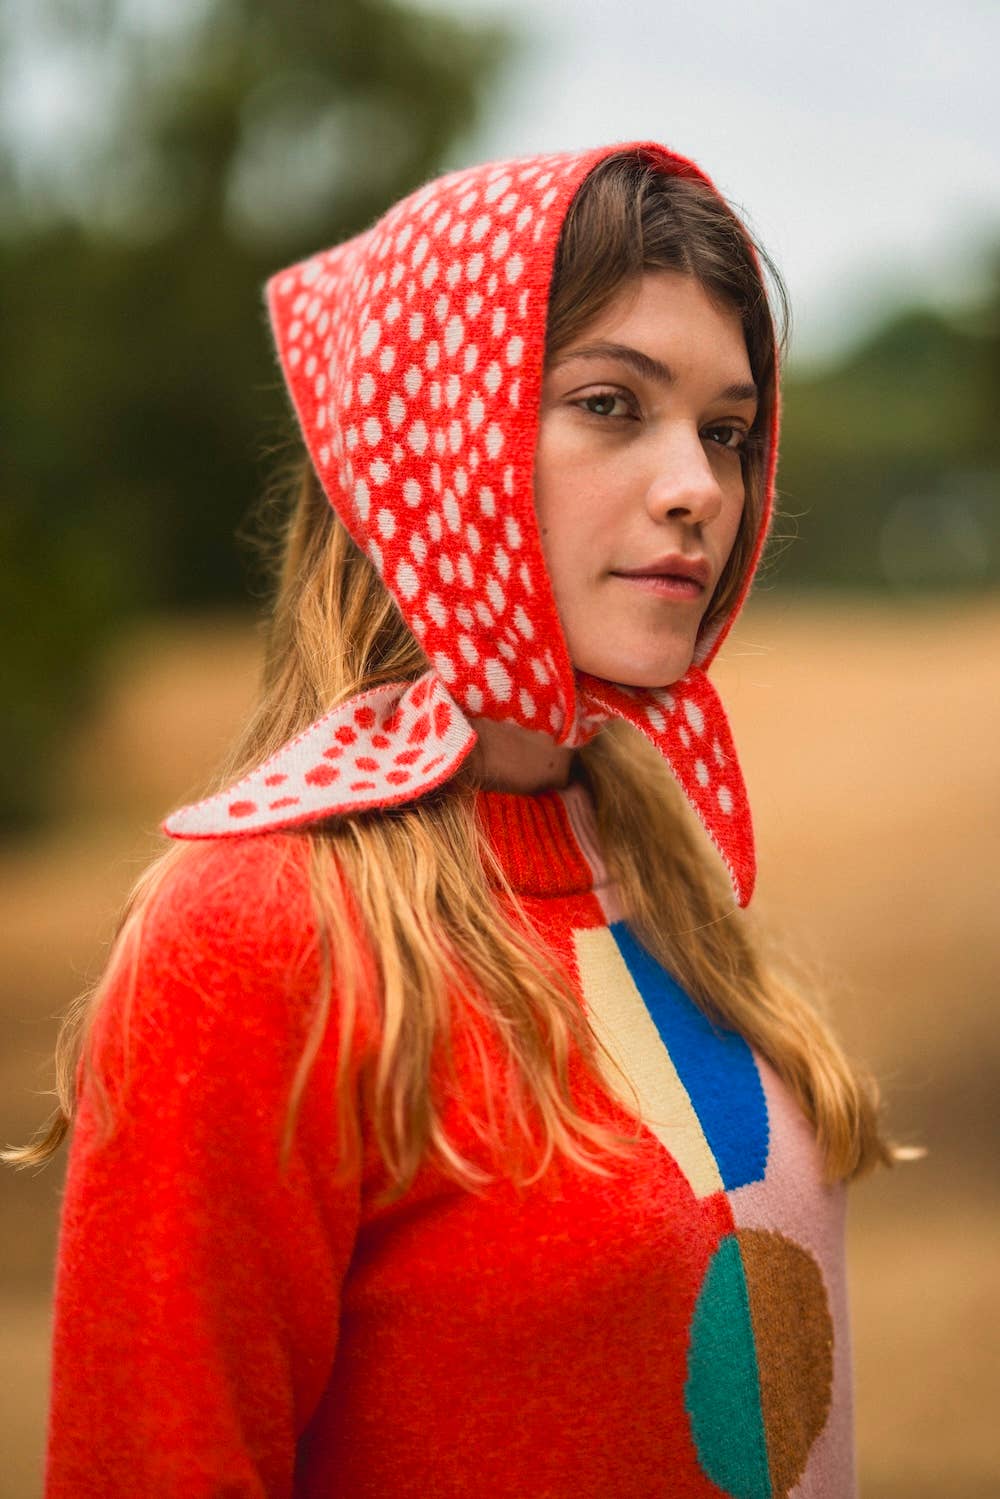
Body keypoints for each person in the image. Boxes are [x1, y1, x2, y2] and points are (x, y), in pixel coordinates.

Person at [12, 139, 898, 1498]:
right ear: (436, 436)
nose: (700, 488)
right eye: (614, 403)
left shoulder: (656, 862)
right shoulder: (257, 931)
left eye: (724, 428)